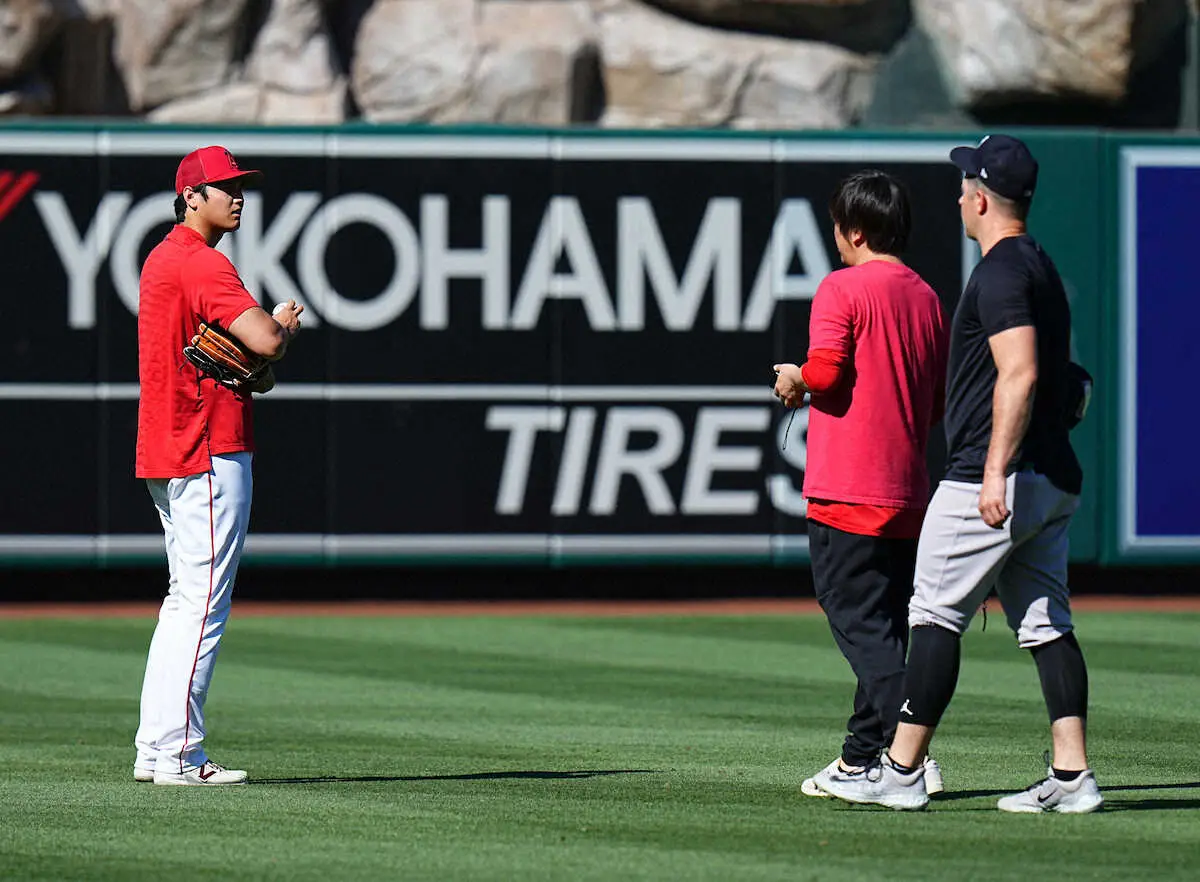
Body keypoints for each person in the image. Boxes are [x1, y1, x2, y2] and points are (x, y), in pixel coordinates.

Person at [817, 135, 1102, 813]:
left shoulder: (1001, 271)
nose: (956, 196)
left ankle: (901, 769)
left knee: (933, 616)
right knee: (1045, 625)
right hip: (1053, 475)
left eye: (963, 184)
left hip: (993, 471)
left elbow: (1023, 371)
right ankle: (1071, 777)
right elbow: (1069, 381)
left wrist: (994, 471)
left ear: (979, 197)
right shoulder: (1040, 266)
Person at [773, 170, 948, 800]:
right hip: (909, 491)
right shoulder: (927, 297)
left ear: (853, 230)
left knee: (859, 625)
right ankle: (860, 758)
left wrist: (795, 380)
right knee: (885, 625)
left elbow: (824, 370)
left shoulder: (843, 287)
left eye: (838, 230)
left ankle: (910, 754)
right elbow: (934, 407)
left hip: (850, 489)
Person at [132, 145, 303, 786]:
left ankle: (157, 747)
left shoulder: (161, 260)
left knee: (183, 602)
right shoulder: (201, 262)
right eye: (224, 186)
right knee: (203, 603)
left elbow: (219, 354)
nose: (237, 196)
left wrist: (251, 355)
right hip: (207, 446)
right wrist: (282, 328)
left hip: (168, 445)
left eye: (240, 185)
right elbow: (262, 342)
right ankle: (180, 754)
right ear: (190, 197)